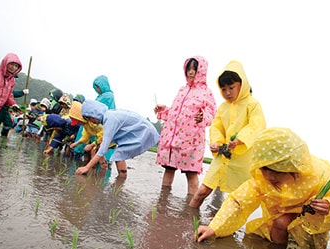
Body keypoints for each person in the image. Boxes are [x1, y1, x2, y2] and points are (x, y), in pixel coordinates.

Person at [195, 127, 330, 249]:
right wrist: (214, 228)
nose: (270, 176)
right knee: (280, 225)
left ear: (293, 168)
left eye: (277, 171)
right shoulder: (262, 179)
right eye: (265, 169)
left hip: (310, 225)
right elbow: (239, 202)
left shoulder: (321, 174)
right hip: (279, 223)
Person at [189, 60, 266, 208]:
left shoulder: (252, 104)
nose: (228, 92)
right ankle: (187, 221)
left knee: (238, 201)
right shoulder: (223, 107)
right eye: (224, 89)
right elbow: (216, 126)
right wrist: (216, 142)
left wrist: (239, 140)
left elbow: (257, 126)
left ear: (241, 84)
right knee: (201, 192)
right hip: (222, 156)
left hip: (242, 160)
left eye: (232, 87)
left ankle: (226, 229)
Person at [154, 56, 216, 195]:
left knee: (191, 173)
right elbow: (175, 113)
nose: (191, 72)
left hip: (191, 140)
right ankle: (162, 202)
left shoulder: (206, 92)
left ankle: (191, 208)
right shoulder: (182, 90)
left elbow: (212, 114)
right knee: (169, 169)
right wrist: (163, 110)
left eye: (195, 68)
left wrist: (203, 117)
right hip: (172, 138)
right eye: (189, 68)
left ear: (202, 70)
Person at [75, 100, 160, 178]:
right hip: (141, 131)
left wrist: (86, 167)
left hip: (143, 132)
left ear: (94, 114)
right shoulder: (109, 115)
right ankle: (106, 173)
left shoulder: (110, 119)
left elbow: (103, 149)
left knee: (118, 155)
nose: (91, 121)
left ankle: (120, 181)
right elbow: (107, 140)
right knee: (108, 149)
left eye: (90, 118)